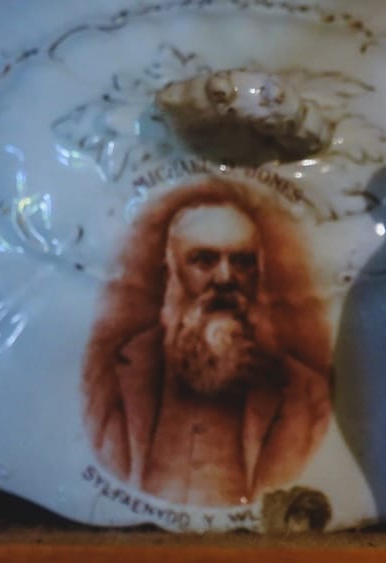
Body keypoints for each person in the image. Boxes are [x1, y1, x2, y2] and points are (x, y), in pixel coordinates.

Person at [83, 180, 330, 507]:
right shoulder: (116, 371)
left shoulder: (306, 394)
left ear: (258, 273)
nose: (226, 278)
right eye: (204, 260)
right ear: (172, 270)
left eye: (242, 262)